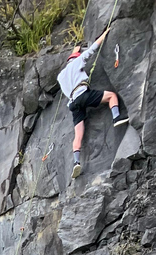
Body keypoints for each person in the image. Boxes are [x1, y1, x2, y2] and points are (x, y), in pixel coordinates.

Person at [56, 26, 128, 180]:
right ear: (76, 58)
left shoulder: (61, 76)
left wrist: (75, 50)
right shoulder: (78, 61)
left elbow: (72, 59)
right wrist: (105, 34)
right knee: (111, 96)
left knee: (78, 134)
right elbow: (93, 48)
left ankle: (76, 162)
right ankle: (116, 118)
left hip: (73, 103)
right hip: (82, 94)